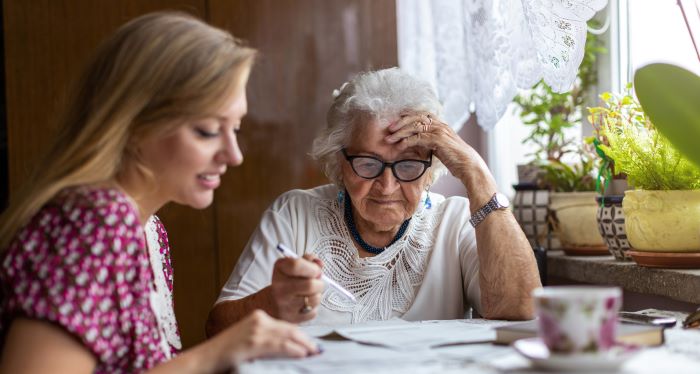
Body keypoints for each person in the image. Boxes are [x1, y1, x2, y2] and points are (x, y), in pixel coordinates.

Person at [0, 12, 319, 374]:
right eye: (207, 130)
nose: (234, 155)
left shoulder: (150, 230)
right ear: (134, 125)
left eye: (236, 128)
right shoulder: (94, 221)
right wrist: (217, 352)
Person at [206, 68, 541, 334]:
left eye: (408, 165)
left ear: (430, 168)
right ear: (339, 163)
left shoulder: (454, 222)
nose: (387, 185)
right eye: (368, 164)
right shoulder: (295, 214)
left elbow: (522, 311)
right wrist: (271, 302)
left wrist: (476, 173)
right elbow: (218, 328)